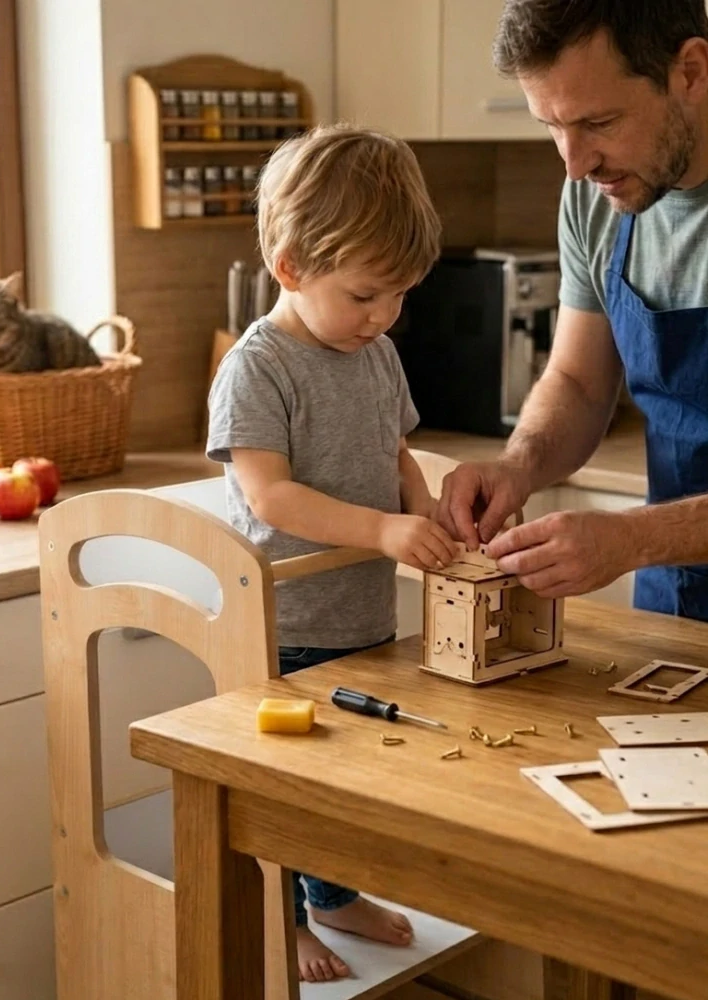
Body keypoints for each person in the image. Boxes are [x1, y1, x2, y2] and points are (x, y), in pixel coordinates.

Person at [206, 123, 457, 983]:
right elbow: (271, 496)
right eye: (364, 295)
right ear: (290, 266)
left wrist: (420, 506)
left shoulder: (376, 354)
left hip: (360, 614)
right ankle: (285, 916)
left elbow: (395, 452)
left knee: (351, 775)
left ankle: (333, 897)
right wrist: (386, 530)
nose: (383, 316)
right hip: (282, 622)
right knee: (286, 784)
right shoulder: (258, 368)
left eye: (399, 297)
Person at [437, 0, 708, 621]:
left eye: (599, 122)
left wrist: (634, 537)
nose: (573, 162)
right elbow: (580, 382)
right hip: (676, 595)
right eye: (551, 126)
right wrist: (517, 465)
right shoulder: (596, 197)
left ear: (689, 71)